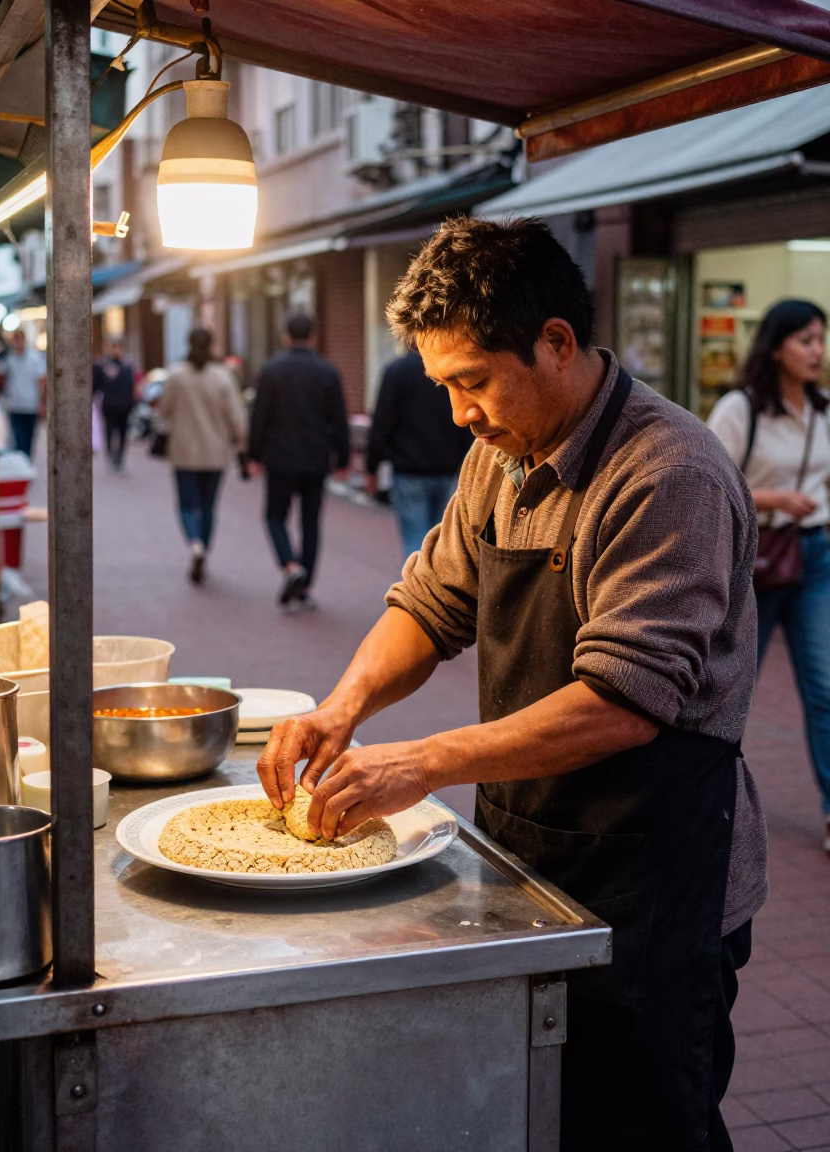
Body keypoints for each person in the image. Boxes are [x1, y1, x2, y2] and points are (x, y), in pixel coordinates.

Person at [258, 218, 768, 1152]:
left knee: (647, 1123)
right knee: (542, 1110)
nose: (459, 413)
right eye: (444, 387)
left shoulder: (667, 472)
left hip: (658, 876)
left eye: (472, 382)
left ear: (556, 344)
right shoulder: (499, 457)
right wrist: (337, 711)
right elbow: (432, 602)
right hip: (537, 852)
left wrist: (416, 765)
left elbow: (623, 702)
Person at [708, 299, 830, 855]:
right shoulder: (741, 409)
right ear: (776, 345)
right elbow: (706, 483)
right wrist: (776, 498)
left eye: (821, 340)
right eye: (805, 339)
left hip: (813, 559)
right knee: (729, 692)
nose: (817, 351)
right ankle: (709, 802)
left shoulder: (823, 410)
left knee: (825, 688)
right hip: (751, 564)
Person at [248, 313, 349, 609]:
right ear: (314, 336)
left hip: (279, 459)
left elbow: (259, 418)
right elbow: (339, 420)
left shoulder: (271, 370)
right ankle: (304, 587)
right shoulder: (328, 372)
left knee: (274, 516)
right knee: (310, 523)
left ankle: (290, 566)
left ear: (285, 335)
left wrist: (254, 455)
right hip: (316, 460)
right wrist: (342, 459)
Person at [158, 328, 247, 584]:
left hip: (184, 452)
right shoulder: (223, 377)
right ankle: (204, 548)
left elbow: (163, 412)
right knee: (208, 506)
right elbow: (236, 417)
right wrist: (242, 441)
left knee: (186, 504)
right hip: (216, 453)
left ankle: (194, 544)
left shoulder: (176, 376)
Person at [366, 348, 473, 557]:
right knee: (443, 543)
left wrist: (372, 466)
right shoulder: (451, 370)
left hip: (409, 471)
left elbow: (382, 423)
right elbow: (466, 420)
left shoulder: (396, 371)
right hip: (447, 469)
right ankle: (440, 588)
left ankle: (418, 588)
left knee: (416, 542)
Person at [0, 329, 45, 458]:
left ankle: (26, 463)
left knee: (29, 438)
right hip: (14, 405)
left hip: (30, 405)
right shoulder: (9, 358)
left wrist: (42, 403)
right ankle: (22, 463)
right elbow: (1, 375)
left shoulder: (34, 358)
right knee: (19, 439)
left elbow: (41, 381)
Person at [93, 336, 137, 471]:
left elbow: (131, 385)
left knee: (123, 432)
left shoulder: (127, 366)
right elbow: (97, 384)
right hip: (109, 405)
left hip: (125, 405)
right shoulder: (103, 366)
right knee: (110, 431)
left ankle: (120, 458)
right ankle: (111, 456)